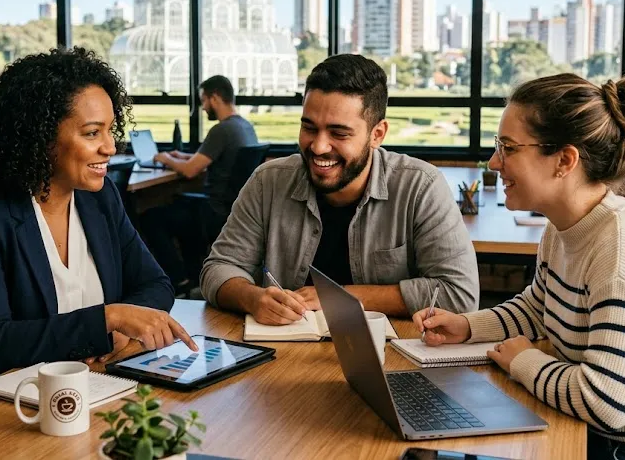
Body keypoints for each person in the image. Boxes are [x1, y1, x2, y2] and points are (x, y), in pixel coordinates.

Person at [414, 74, 625, 460]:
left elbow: (606, 402)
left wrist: (524, 360)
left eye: (508, 148)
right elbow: (539, 307)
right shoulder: (564, 226)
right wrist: (468, 326)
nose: (494, 162)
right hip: (602, 436)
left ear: (565, 160)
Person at [0, 47, 195, 405]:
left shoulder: (99, 197)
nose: (110, 147)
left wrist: (118, 332)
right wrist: (107, 320)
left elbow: (155, 283)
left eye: (110, 130)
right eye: (92, 133)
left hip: (90, 390)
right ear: (41, 136)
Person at [200, 54, 479, 324]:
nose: (319, 147)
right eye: (309, 127)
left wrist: (339, 297)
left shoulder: (420, 186)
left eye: (339, 133)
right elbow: (218, 269)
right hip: (285, 355)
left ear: (377, 134)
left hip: (390, 357)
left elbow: (459, 294)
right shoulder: (268, 181)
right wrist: (252, 298)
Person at [140, 75, 258, 295]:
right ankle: (192, 276)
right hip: (228, 209)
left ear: (214, 98)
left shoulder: (221, 130)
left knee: (150, 218)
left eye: (203, 100)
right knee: (180, 208)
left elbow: (191, 170)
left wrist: (165, 158)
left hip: (213, 211)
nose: (203, 108)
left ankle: (179, 280)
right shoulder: (243, 126)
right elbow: (202, 161)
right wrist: (181, 156)